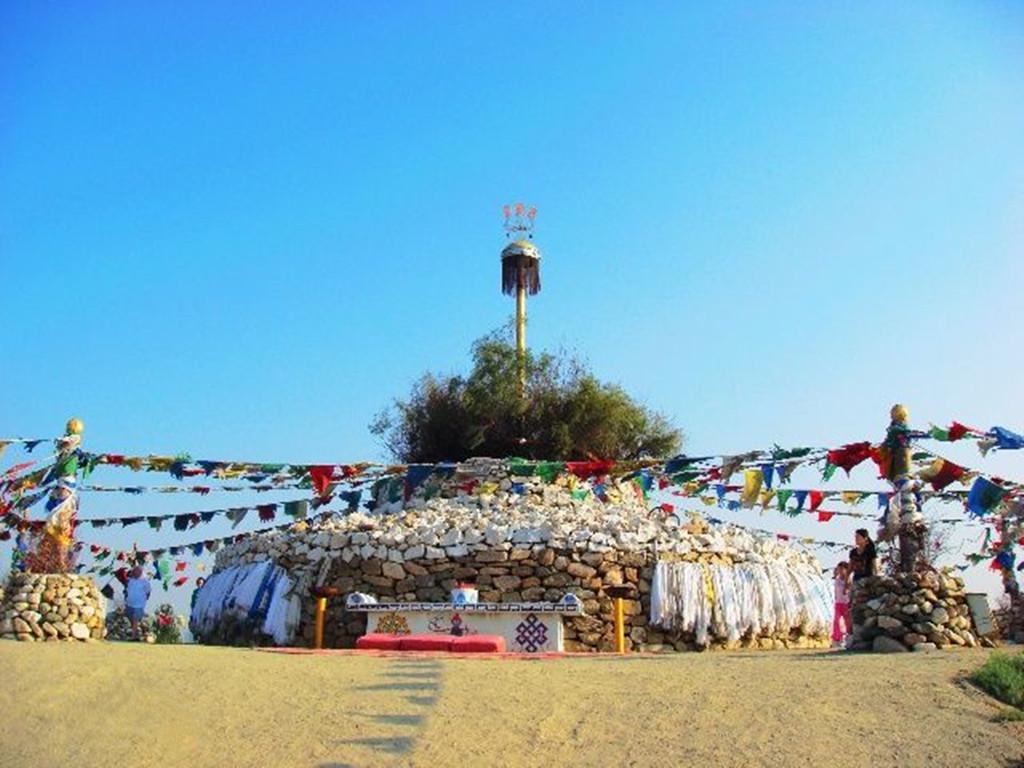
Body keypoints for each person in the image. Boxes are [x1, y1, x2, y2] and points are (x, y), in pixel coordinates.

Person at [124, 566, 151, 640]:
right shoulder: (130, 580)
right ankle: (136, 634)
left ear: (141, 572)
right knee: (131, 619)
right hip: (129, 603)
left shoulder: (145, 582)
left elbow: (148, 592)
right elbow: (127, 590)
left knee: (135, 619)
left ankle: (133, 637)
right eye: (135, 571)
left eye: (137, 571)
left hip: (139, 604)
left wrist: (145, 599)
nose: (135, 572)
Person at [831, 562, 852, 645]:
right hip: (838, 603)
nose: (839, 571)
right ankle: (837, 639)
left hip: (847, 604)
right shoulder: (837, 580)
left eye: (841, 569)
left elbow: (847, 591)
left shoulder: (850, 580)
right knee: (837, 621)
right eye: (838, 569)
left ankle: (848, 638)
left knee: (848, 622)